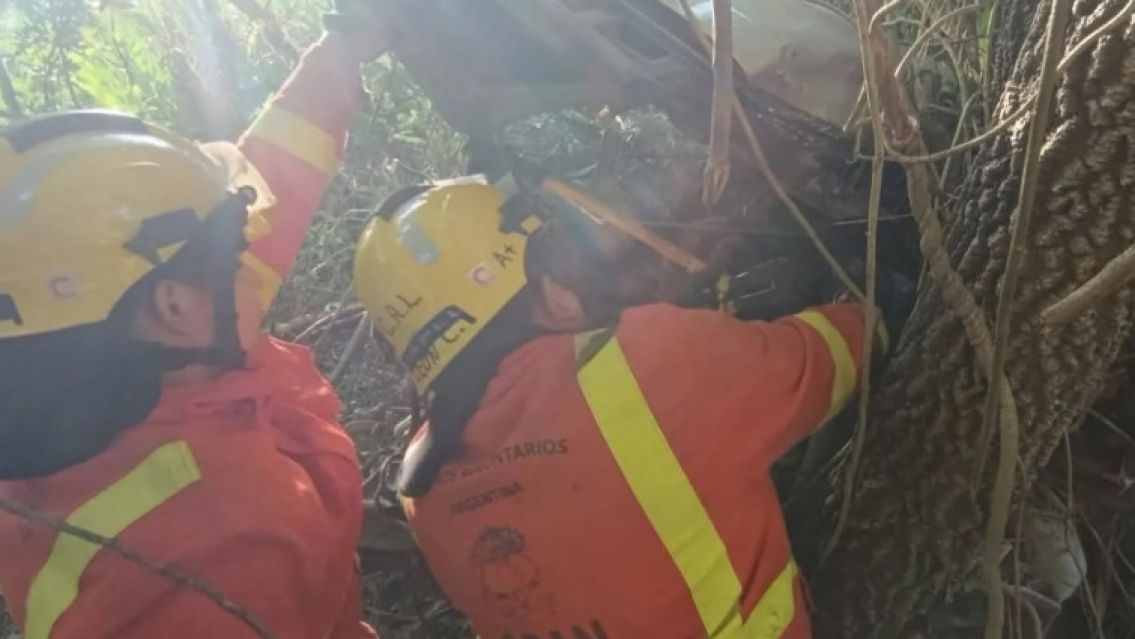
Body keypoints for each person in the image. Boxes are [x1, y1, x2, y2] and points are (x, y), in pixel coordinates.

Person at [0, 8, 391, 638]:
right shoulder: (220, 542)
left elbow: (271, 186)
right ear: (175, 308)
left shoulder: (108, 369)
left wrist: (345, 49)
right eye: (233, 259)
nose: (251, 266)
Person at [352, 176, 881, 639]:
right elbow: (830, 360)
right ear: (553, 290)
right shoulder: (647, 362)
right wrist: (869, 308)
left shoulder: (423, 491)